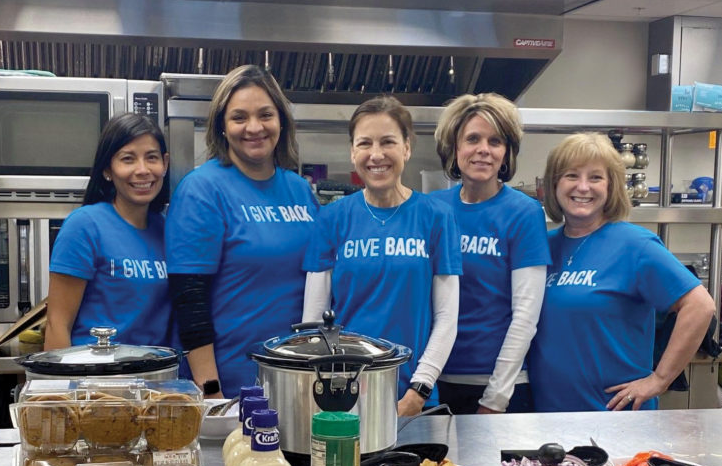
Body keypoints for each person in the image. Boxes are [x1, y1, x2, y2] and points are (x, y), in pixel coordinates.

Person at [527, 132, 715, 412]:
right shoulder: (544, 246)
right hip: (546, 416)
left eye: (595, 177)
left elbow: (700, 306)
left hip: (613, 418)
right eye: (571, 176)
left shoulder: (634, 245)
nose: (583, 187)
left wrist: (659, 380)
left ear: (611, 186)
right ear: (554, 184)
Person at [302, 96, 462, 417]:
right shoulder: (332, 218)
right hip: (344, 396)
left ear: (406, 148)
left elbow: (446, 318)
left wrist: (419, 391)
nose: (376, 155)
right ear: (353, 152)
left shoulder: (436, 216)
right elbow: (313, 321)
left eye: (388, 142)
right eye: (365, 143)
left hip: (414, 398)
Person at [166, 64, 319, 398]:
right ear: (221, 126)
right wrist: (210, 393)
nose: (254, 127)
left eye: (265, 115)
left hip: (297, 381)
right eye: (239, 117)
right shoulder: (202, 189)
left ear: (281, 121)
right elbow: (189, 299)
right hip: (231, 385)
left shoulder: (300, 190)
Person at [430, 93, 550, 414]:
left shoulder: (524, 213)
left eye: (495, 141)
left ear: (506, 153)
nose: (483, 149)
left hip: (501, 386)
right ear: (454, 149)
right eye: (472, 139)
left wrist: (495, 398)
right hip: (435, 381)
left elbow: (525, 316)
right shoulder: (433, 208)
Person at [44, 113, 171, 350]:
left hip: (156, 378)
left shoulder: (168, 231)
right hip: (96, 379)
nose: (143, 170)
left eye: (151, 158)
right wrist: (61, 386)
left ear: (165, 164)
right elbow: (57, 325)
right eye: (128, 159)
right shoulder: (84, 226)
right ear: (107, 170)